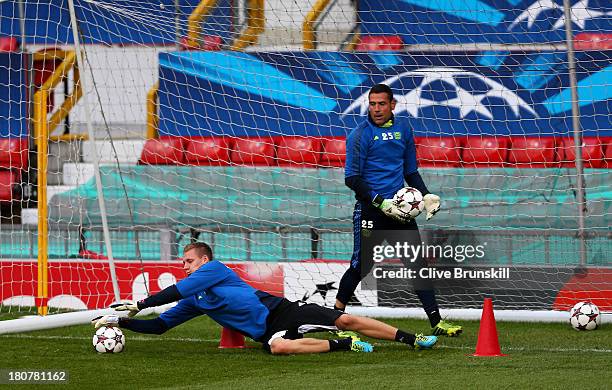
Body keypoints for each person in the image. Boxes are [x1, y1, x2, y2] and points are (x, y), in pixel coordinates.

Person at [92, 242, 438, 354]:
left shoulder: (214, 271)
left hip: (282, 311)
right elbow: (160, 327)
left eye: (189, 261)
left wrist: (138, 303)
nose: (184, 267)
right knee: (277, 348)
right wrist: (119, 321)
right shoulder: (195, 300)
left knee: (346, 318)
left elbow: (175, 291)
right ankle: (342, 346)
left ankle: (412, 338)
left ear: (204, 261)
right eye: (183, 263)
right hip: (267, 333)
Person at [335, 84, 462, 337]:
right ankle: (335, 319)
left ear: (393, 105)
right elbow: (352, 179)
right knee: (361, 266)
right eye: (372, 104)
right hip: (372, 211)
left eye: (382, 104)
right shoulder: (359, 135)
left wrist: (426, 196)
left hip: (402, 211)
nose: (376, 109)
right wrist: (381, 202)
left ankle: (436, 321)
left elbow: (410, 171)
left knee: (417, 264)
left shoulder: (404, 128)